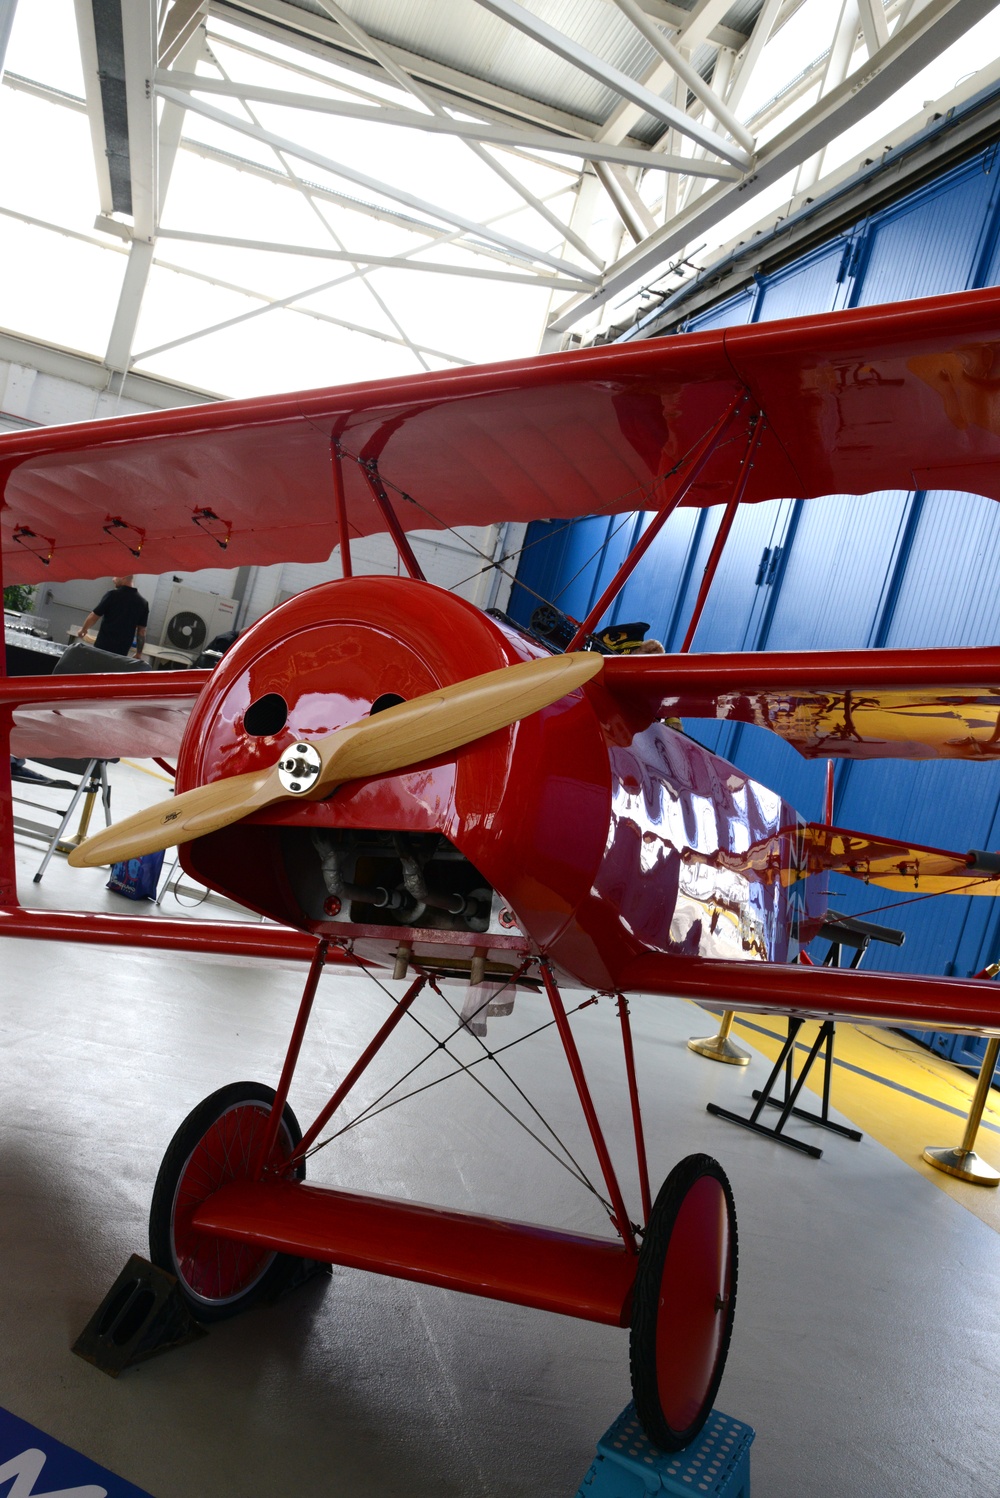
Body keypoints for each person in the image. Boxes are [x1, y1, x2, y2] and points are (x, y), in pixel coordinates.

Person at [79, 575, 149, 659]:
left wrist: (84, 629)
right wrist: (139, 653)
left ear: (123, 577)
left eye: (115, 576)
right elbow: (142, 631)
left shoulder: (112, 594)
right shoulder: (143, 603)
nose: (113, 579)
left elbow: (94, 615)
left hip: (102, 647)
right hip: (121, 652)